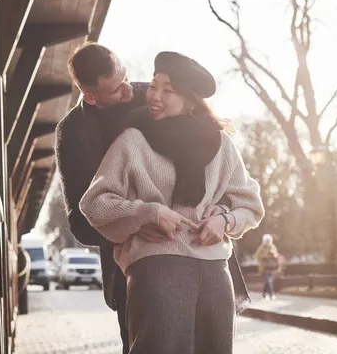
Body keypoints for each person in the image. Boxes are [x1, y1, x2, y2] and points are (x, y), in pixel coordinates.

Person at [79, 51, 265, 354]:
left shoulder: (221, 144)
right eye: (154, 86)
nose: (155, 96)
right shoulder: (133, 141)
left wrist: (224, 220)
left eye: (169, 90)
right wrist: (146, 212)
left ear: (190, 100)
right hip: (157, 267)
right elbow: (94, 202)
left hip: (216, 271)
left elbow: (251, 203)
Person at [255, 234, 279, 299]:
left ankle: (264, 294)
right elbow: (257, 256)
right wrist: (265, 256)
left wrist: (273, 255)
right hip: (263, 267)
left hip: (271, 267)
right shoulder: (261, 247)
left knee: (268, 281)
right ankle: (271, 294)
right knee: (268, 280)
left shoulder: (272, 247)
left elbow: (276, 255)